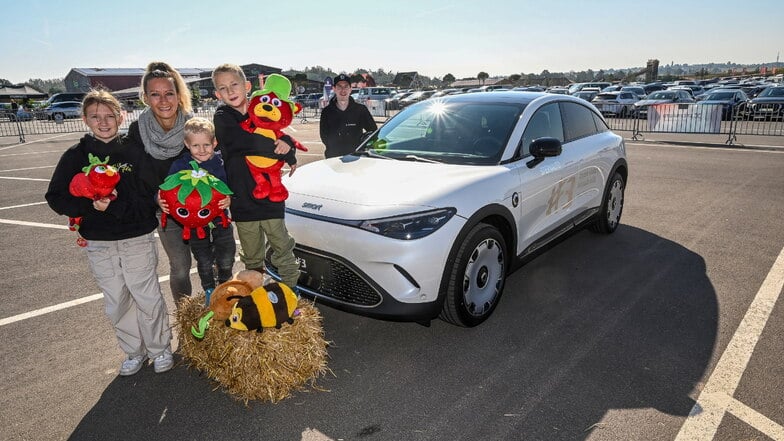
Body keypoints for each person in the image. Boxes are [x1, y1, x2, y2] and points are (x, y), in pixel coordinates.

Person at [45, 89, 173, 376]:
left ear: (121, 116)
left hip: (136, 237)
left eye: (109, 115)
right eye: (95, 117)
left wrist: (115, 206)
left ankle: (160, 348)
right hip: (99, 242)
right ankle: (133, 352)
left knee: (146, 295)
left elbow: (151, 194)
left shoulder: (135, 152)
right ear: (85, 120)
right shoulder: (75, 156)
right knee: (116, 300)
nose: (103, 122)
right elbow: (55, 197)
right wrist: (91, 205)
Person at [211, 63, 301, 289]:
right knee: (252, 259)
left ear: (247, 86)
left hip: (271, 199)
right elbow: (244, 142)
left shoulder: (262, 108)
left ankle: (292, 296)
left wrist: (288, 143)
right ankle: (257, 301)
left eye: (234, 84)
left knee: (283, 250)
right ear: (217, 94)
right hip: (242, 202)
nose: (230, 91)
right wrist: (283, 149)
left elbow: (280, 130)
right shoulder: (223, 116)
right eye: (223, 88)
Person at [127, 61, 195, 304]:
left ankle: (218, 317)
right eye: (155, 94)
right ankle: (187, 322)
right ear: (145, 97)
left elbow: (213, 162)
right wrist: (155, 197)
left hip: (201, 207)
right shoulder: (137, 130)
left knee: (217, 264)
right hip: (165, 211)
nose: (163, 101)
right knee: (179, 268)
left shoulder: (193, 126)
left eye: (169, 93)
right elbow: (136, 175)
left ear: (178, 95)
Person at [166, 117, 236, 296]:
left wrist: (229, 198)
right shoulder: (180, 165)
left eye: (206, 144)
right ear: (187, 144)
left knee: (227, 256)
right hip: (196, 224)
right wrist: (161, 200)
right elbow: (168, 189)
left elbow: (234, 187)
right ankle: (209, 291)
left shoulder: (223, 163)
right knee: (203, 260)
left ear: (215, 142)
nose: (202, 150)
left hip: (221, 220)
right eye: (196, 146)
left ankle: (225, 284)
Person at [319, 73, 378, 158]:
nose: (343, 90)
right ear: (334, 89)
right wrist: (334, 147)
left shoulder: (361, 110)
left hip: (356, 157)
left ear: (350, 89)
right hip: (333, 157)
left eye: (346, 87)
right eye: (339, 87)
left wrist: (361, 145)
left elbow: (373, 131)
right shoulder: (327, 112)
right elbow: (324, 135)